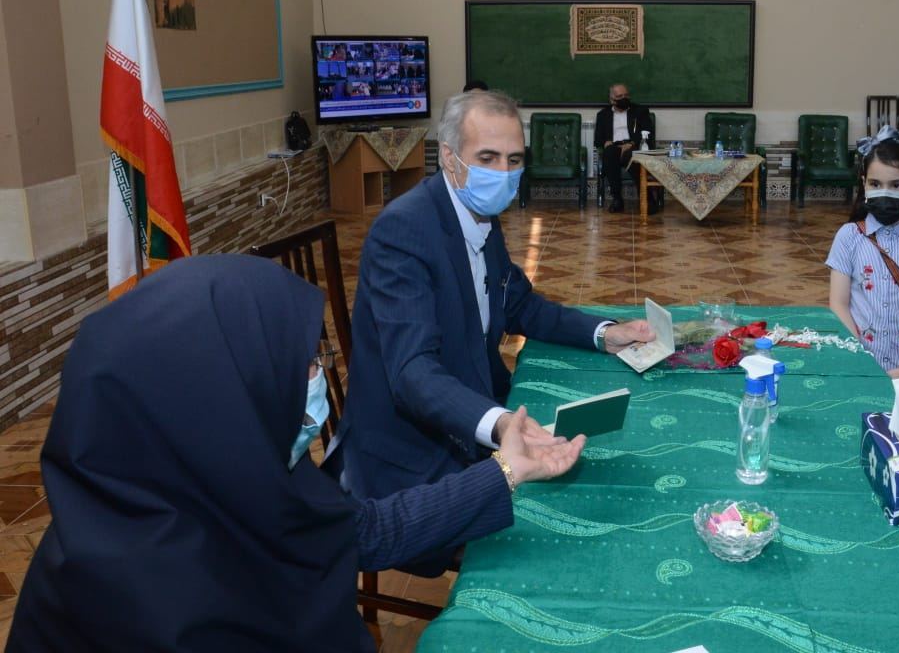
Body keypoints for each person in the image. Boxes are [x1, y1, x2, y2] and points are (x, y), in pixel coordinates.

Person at [6, 255, 585, 652]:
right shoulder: (138, 602)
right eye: (306, 365)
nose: (320, 379)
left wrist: (508, 470)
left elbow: (366, 530)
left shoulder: (231, 475)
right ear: (221, 396)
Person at [339, 90, 653, 571]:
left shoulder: (478, 215)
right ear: (449, 157)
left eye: (514, 160)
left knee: (611, 478)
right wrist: (501, 424)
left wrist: (604, 333)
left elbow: (519, 304)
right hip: (413, 456)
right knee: (560, 541)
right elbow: (412, 373)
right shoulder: (402, 232)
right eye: (487, 158)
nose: (503, 174)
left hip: (474, 413)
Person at [826, 127, 899, 382]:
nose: (885, 192)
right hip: (859, 370)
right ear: (863, 182)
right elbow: (838, 304)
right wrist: (860, 359)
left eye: (897, 184)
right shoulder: (849, 237)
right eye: (875, 184)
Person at [594, 83, 654, 213]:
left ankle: (647, 199)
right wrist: (605, 142)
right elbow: (598, 140)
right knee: (609, 153)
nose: (624, 98)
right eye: (620, 96)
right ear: (612, 100)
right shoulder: (603, 115)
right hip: (614, 147)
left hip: (633, 146)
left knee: (632, 156)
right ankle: (617, 199)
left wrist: (632, 143)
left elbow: (648, 133)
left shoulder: (640, 111)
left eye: (626, 95)